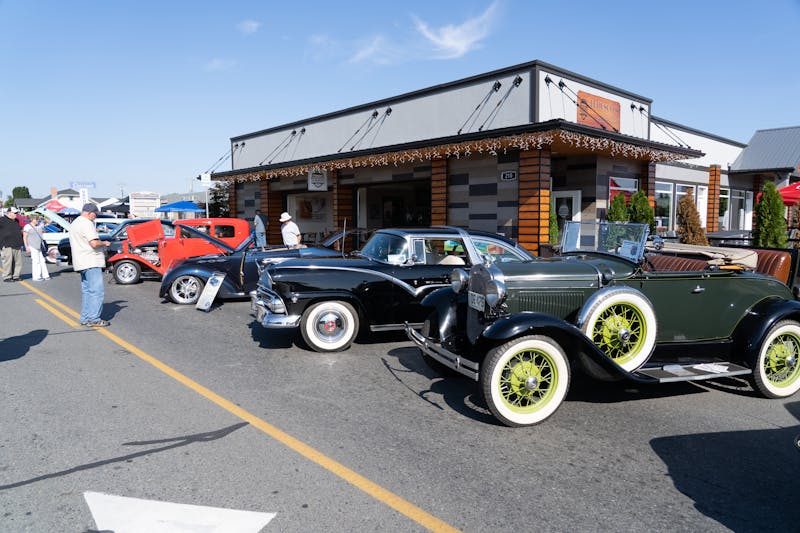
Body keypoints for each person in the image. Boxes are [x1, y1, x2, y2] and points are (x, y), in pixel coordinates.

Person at [69, 203, 111, 327]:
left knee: (87, 291)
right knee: (96, 292)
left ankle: (85, 318)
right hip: (91, 261)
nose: (95, 217)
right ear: (90, 213)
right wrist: (104, 243)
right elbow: (94, 243)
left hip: (81, 261)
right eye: (95, 214)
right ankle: (94, 318)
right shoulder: (87, 223)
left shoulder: (75, 223)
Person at [22, 214, 50, 281]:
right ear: (32, 220)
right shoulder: (27, 227)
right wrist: (26, 247)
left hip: (40, 246)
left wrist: (43, 218)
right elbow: (24, 237)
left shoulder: (40, 225)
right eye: (36, 219)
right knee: (36, 261)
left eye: (38, 219)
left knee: (42, 261)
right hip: (32, 246)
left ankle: (45, 275)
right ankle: (36, 276)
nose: (38, 220)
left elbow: (48, 222)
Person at [0, 207, 24, 282]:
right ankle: (7, 277)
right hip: (6, 244)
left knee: (18, 262)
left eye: (17, 213)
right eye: (14, 213)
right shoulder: (2, 220)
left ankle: (16, 276)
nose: (16, 214)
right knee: (8, 262)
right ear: (9, 213)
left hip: (17, 243)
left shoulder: (16, 221)